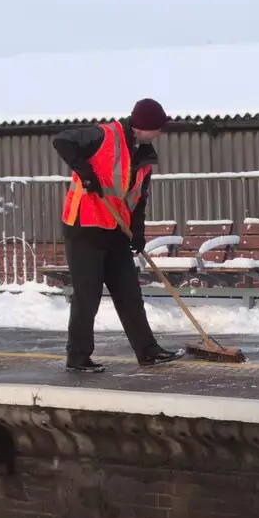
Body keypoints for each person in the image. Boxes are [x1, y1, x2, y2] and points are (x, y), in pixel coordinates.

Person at [51, 98, 182, 373]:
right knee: (88, 295)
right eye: (157, 127)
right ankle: (77, 357)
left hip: (116, 228)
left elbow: (138, 199)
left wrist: (137, 232)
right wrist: (85, 171)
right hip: (84, 226)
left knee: (129, 293)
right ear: (144, 125)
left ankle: (148, 351)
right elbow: (62, 141)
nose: (160, 133)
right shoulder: (104, 135)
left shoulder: (144, 157)